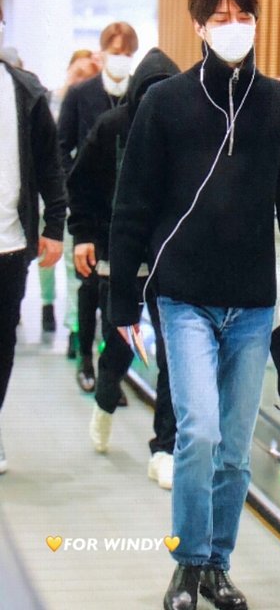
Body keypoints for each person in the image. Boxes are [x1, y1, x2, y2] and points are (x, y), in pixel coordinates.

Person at [108, 0, 280, 610]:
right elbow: (132, 203)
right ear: (199, 27)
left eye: (244, 16)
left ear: (257, 21)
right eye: (220, 18)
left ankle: (215, 566)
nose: (234, 27)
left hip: (253, 304)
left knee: (233, 449)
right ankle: (187, 562)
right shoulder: (165, 103)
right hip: (183, 299)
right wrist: (123, 296)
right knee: (198, 432)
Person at [67, 47, 180, 489]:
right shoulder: (112, 126)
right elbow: (81, 183)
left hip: (171, 263)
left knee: (173, 357)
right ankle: (105, 397)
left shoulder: (185, 130)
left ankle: (164, 448)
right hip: (121, 259)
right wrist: (84, 235)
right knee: (121, 346)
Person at [0, 5, 66, 474]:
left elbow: (49, 164)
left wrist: (54, 226)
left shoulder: (25, 91)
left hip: (9, 243)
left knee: (2, 341)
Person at [57, 22, 138, 393]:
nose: (121, 59)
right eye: (115, 52)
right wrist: (73, 183)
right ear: (102, 52)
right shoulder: (81, 94)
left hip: (127, 209)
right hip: (90, 204)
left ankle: (111, 370)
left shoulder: (139, 95)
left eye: (127, 53)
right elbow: (62, 146)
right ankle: (86, 359)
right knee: (89, 285)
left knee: (118, 291)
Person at [39, 50, 101, 341]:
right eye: (77, 74)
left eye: (87, 77)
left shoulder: (88, 106)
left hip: (73, 195)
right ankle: (47, 303)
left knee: (71, 259)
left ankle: (75, 326)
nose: (80, 81)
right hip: (44, 195)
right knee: (45, 257)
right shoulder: (47, 101)